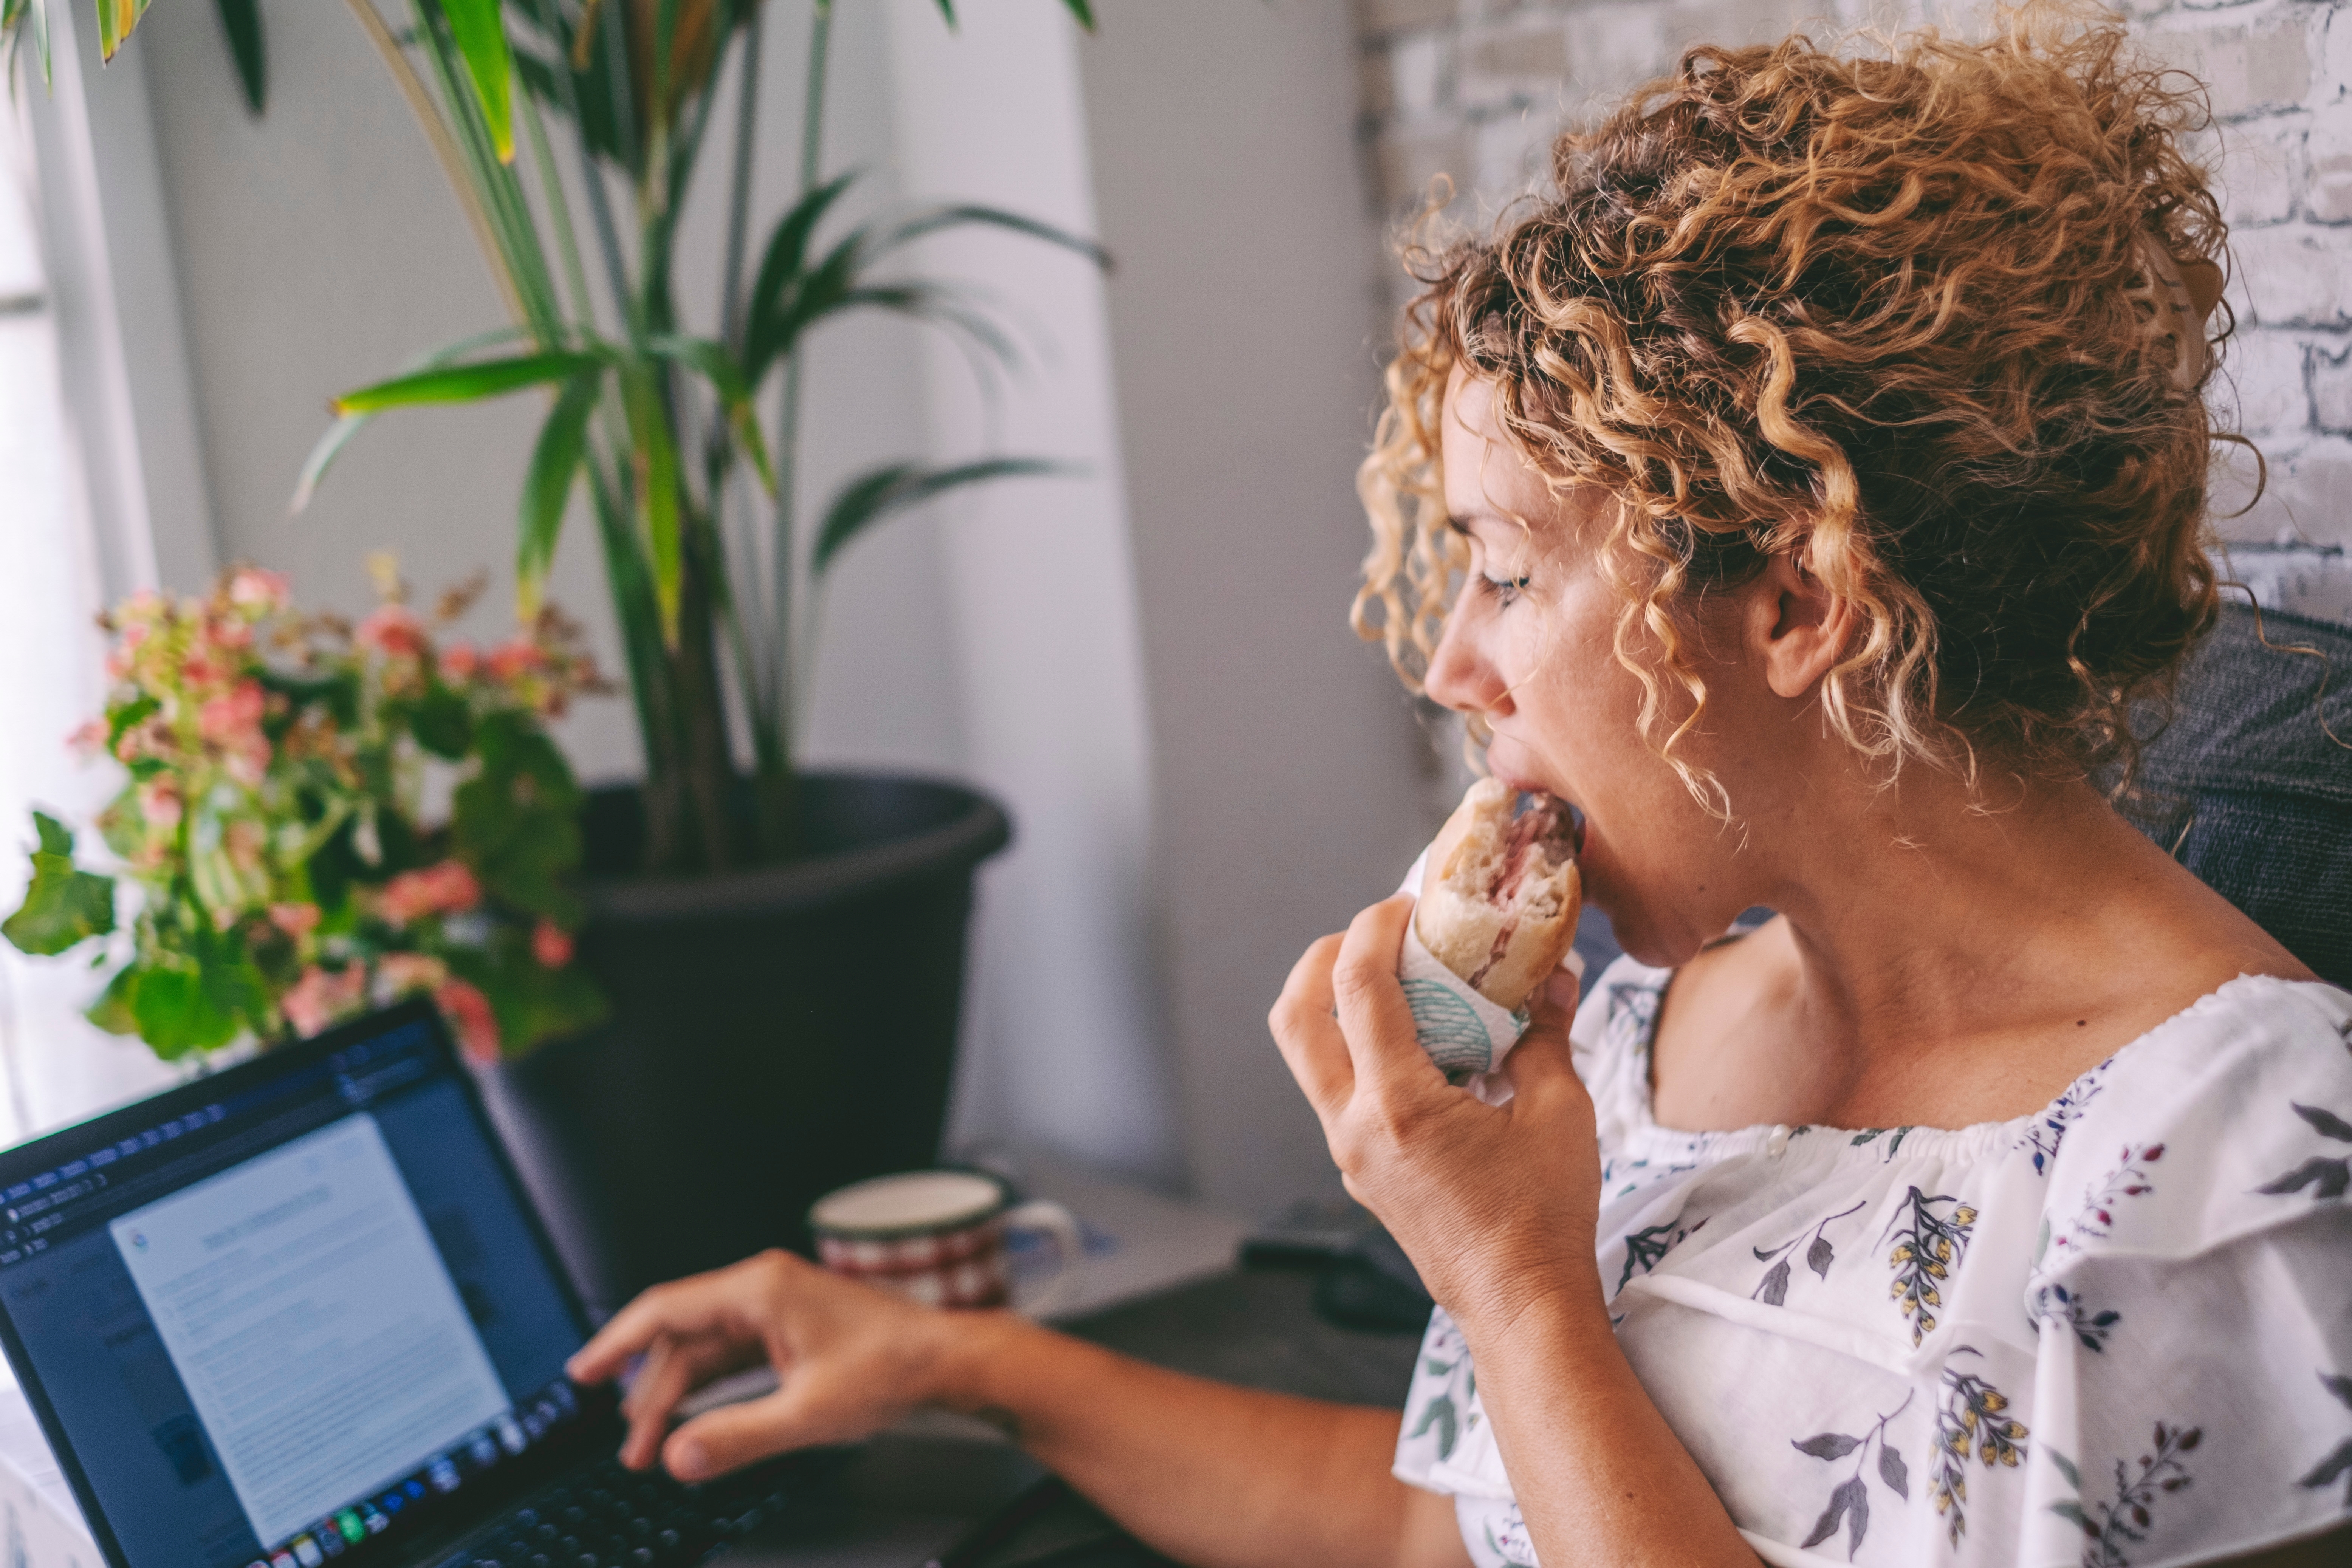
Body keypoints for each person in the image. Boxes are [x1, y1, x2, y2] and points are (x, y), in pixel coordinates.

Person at [567, 9, 2352, 1565]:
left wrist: (1514, 1285)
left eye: (1503, 566)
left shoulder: (2235, 1172)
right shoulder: (1649, 1025)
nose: (1447, 663)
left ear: (1798, 602)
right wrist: (956, 1364)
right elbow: (1433, 1527)